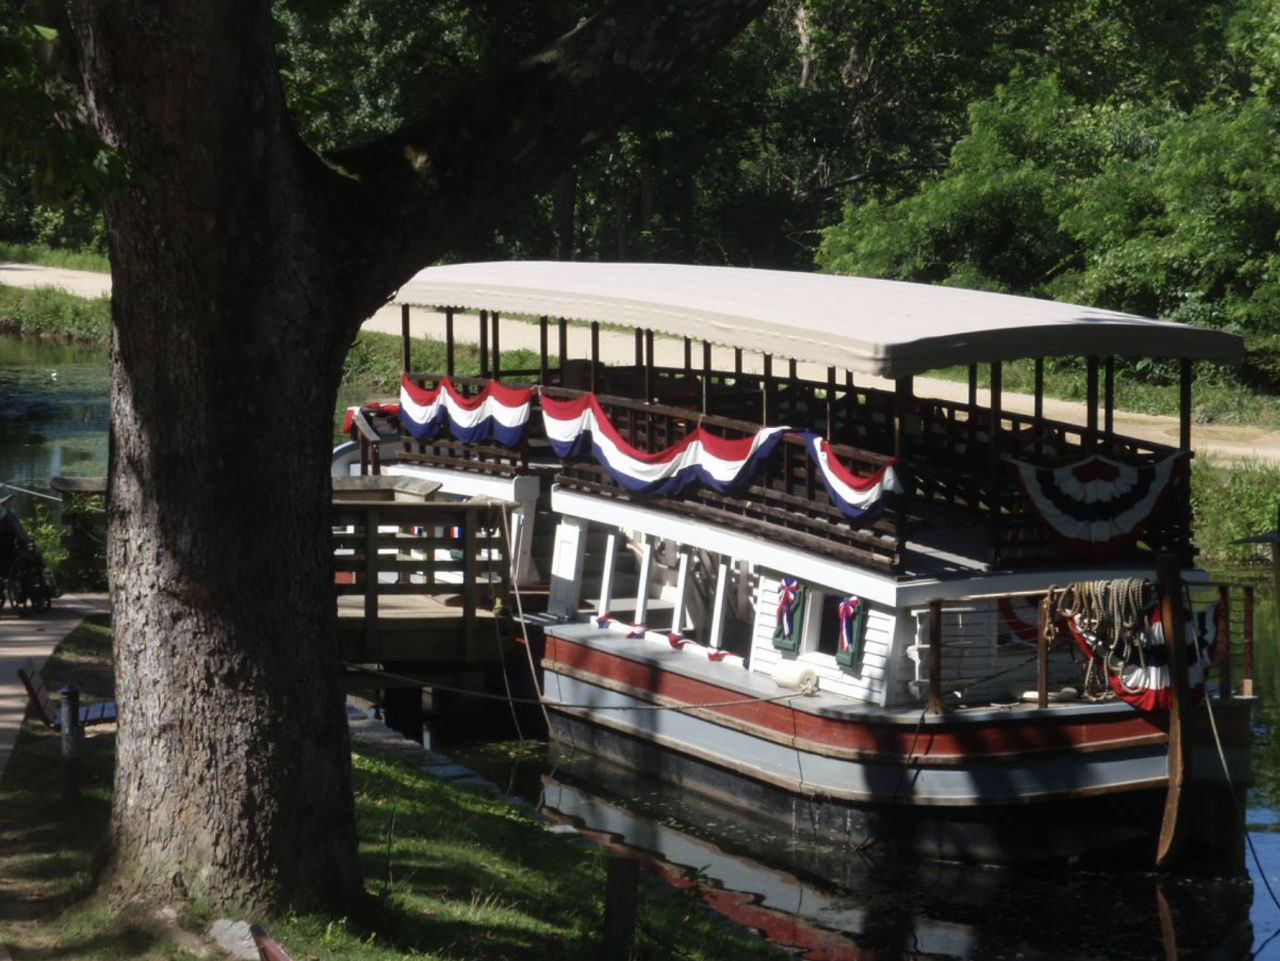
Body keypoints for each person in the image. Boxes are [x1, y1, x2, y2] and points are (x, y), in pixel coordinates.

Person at [0, 493, 34, 581]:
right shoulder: (8, 515)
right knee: (30, 551)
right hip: (6, 556)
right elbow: (21, 535)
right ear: (4, 501)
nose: (10, 502)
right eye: (9, 500)